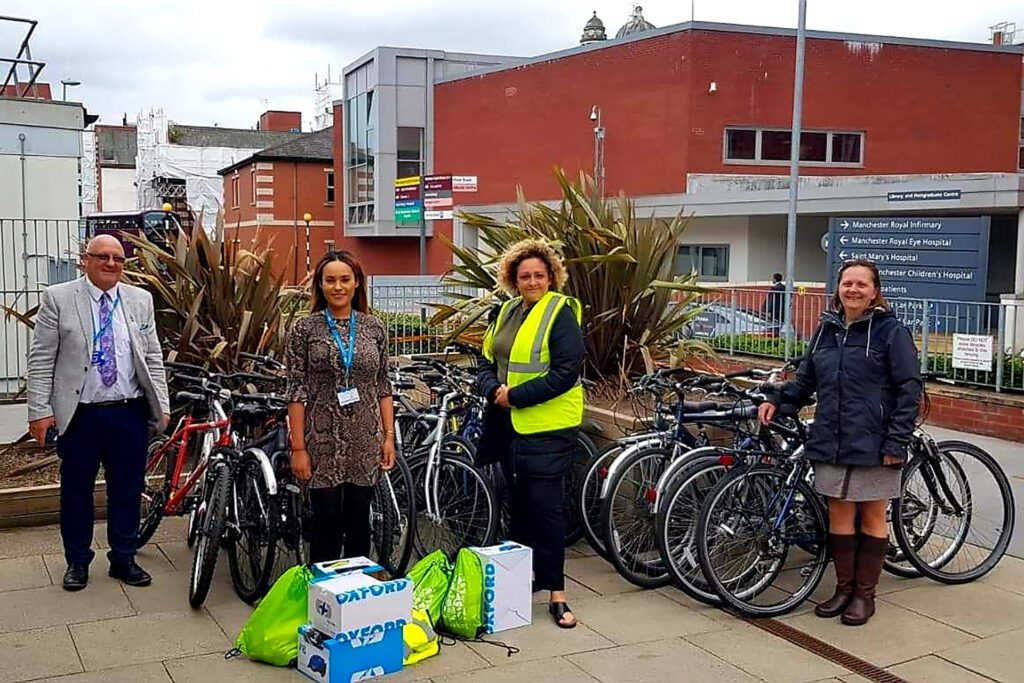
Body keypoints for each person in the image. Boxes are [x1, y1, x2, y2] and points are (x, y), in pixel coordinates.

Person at [758, 258, 921, 626]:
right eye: (848, 283)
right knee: (840, 515)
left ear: (875, 292)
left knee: (873, 516)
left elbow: (909, 389)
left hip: (875, 440)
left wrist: (896, 442)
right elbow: (804, 383)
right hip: (831, 436)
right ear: (839, 289)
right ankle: (843, 589)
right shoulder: (825, 331)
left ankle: (865, 595)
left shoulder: (890, 332)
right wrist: (776, 401)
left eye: (862, 284)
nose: (853, 289)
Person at [26, 234, 170, 591]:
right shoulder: (59, 299)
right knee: (76, 492)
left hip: (128, 412)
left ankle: (123, 558)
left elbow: (152, 357)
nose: (111, 264)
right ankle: (77, 561)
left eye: (118, 258)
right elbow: (41, 359)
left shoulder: (140, 300)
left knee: (127, 489)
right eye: (102, 256)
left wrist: (162, 406)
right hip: (80, 415)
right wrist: (39, 412)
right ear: (85, 260)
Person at [477, 239, 585, 629]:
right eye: (525, 276)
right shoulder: (506, 311)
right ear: (513, 279)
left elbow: (565, 372)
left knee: (547, 511)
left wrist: (515, 396)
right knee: (518, 507)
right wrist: (493, 389)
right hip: (508, 425)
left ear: (551, 276)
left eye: (540, 275)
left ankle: (557, 594)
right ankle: (522, 584)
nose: (533, 281)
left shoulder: (561, 313)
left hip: (547, 427)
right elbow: (487, 360)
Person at [285, 251, 395, 564]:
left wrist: (388, 437)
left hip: (365, 438)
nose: (338, 286)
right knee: (326, 522)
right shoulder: (305, 330)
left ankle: (355, 596)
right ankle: (324, 600)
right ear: (319, 285)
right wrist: (298, 448)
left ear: (356, 282)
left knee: (360, 521)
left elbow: (383, 385)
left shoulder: (374, 328)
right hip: (320, 440)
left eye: (344, 279)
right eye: (330, 280)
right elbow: (295, 390)